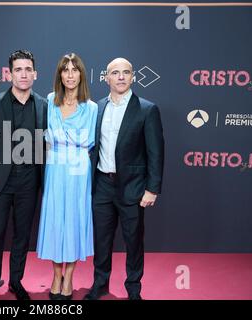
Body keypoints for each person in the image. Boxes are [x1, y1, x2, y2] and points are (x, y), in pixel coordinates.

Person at [84, 58, 164, 300]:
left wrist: (152, 188)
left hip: (133, 187)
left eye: (125, 73)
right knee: (101, 239)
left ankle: (133, 289)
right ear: (106, 78)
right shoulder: (97, 107)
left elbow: (156, 152)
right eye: (115, 73)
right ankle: (100, 284)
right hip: (102, 185)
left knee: (133, 242)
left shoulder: (147, 109)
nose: (120, 77)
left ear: (133, 77)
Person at [0, 50, 47, 300]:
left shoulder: (43, 105)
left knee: (22, 236)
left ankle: (16, 281)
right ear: (10, 74)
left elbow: (43, 145)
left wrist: (3, 145)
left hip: (30, 181)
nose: (23, 74)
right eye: (18, 69)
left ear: (35, 74)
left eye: (28, 69)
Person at [37, 53, 98, 300]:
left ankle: (69, 276)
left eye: (75, 70)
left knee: (74, 218)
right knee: (54, 219)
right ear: (59, 75)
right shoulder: (50, 100)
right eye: (65, 70)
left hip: (77, 169)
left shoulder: (91, 108)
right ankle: (55, 275)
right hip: (54, 166)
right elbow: (43, 136)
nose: (70, 75)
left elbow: (89, 141)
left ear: (81, 74)